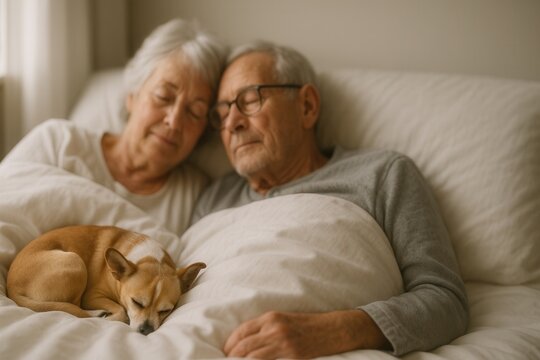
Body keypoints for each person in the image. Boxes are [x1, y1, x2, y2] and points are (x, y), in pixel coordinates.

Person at [191, 41, 469, 358]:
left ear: (307, 106)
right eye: (222, 112)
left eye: (250, 100)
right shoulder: (214, 199)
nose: (232, 123)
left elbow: (445, 301)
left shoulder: (380, 174)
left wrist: (333, 331)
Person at [2, 19, 226, 234]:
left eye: (195, 112)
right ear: (132, 96)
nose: (174, 121)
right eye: (164, 96)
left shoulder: (196, 195)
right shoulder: (58, 143)